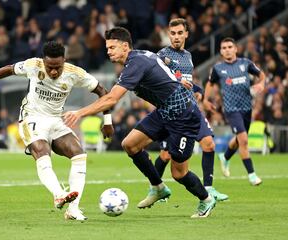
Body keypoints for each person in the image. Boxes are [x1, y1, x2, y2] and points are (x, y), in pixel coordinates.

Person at [64, 27, 216, 218]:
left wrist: (80, 113)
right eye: (107, 47)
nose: (108, 51)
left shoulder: (136, 63)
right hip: (164, 111)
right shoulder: (138, 59)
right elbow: (167, 67)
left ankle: (206, 199)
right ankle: (158, 187)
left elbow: (111, 99)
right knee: (130, 144)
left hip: (184, 116)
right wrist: (181, 81)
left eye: (112, 47)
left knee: (178, 173)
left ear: (125, 46)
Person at [0, 41, 113, 221]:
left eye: (58, 67)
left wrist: (107, 121)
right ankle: (58, 194)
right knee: (42, 152)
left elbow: (104, 92)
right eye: (49, 67)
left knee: (79, 154)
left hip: (56, 120)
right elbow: (9, 69)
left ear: (65, 61)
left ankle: (73, 209)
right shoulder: (33, 65)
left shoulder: (75, 73)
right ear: (43, 61)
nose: (53, 72)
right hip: (31, 117)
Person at [151, 18, 228, 201]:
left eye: (179, 33)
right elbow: (157, 80)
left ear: (186, 34)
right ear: (168, 35)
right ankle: (156, 188)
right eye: (172, 33)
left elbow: (187, 81)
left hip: (190, 109)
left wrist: (199, 92)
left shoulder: (188, 56)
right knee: (166, 155)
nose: (176, 37)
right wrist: (178, 82)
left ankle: (208, 189)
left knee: (209, 144)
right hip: (170, 112)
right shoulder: (162, 55)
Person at [204, 37, 265, 186]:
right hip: (231, 109)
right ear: (221, 51)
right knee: (243, 140)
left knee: (239, 140)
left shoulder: (246, 64)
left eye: (230, 47)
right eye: (224, 48)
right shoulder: (218, 68)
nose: (227, 50)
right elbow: (210, 83)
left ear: (236, 49)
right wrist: (206, 100)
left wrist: (261, 84)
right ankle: (252, 175)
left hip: (246, 108)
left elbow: (261, 74)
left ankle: (225, 157)